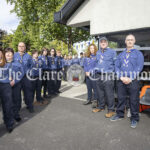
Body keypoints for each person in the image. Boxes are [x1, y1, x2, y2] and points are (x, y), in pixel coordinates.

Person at [110, 34, 144, 128]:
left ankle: (134, 118)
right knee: (120, 99)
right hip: (121, 80)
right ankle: (120, 114)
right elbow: (116, 66)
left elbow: (139, 67)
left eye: (131, 40)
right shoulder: (121, 54)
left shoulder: (138, 54)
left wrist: (130, 78)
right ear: (125, 41)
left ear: (134, 41)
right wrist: (121, 77)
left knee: (134, 100)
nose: (129, 41)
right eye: (128, 40)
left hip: (133, 80)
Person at [92, 37, 116, 118]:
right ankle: (101, 107)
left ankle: (111, 110)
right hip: (99, 75)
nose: (103, 43)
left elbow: (116, 63)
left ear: (107, 43)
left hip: (108, 75)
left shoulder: (112, 52)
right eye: (101, 42)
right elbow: (96, 63)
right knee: (100, 93)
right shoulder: (98, 52)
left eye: (104, 42)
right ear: (100, 43)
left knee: (109, 93)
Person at [4, 48, 24, 123]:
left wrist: (14, 81)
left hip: (16, 85)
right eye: (7, 53)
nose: (8, 55)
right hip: (5, 86)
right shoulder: (2, 64)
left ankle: (16, 114)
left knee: (17, 101)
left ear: (13, 54)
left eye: (10, 53)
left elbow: (21, 73)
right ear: (4, 54)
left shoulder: (18, 63)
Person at [13, 42, 34, 113]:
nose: (21, 47)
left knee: (28, 93)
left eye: (23, 46)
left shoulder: (28, 56)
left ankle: (29, 105)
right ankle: (17, 108)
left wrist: (28, 72)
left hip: (26, 78)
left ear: (25, 47)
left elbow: (32, 65)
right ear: (17, 47)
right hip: (17, 78)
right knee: (17, 94)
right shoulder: (14, 55)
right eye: (20, 46)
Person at [0, 48, 14, 132]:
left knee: (7, 106)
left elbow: (10, 74)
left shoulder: (7, 64)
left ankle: (9, 124)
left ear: (2, 54)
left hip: (5, 86)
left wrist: (11, 79)